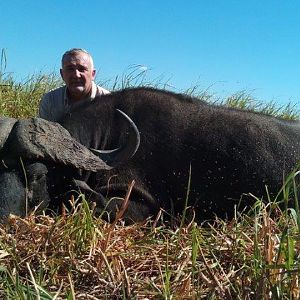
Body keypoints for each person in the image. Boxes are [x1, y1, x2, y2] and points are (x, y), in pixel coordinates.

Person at [39, 48, 110, 122]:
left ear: (93, 74)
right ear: (62, 74)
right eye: (70, 69)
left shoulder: (108, 102)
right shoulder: (50, 101)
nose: (76, 75)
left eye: (82, 69)